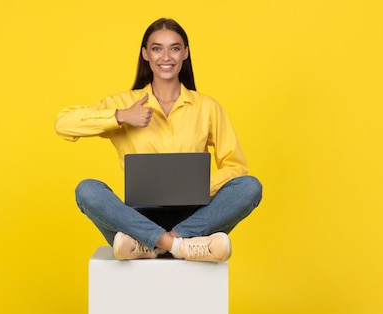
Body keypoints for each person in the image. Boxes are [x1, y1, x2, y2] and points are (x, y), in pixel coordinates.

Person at [55, 18, 262, 263]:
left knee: (250, 187)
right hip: (136, 218)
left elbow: (236, 167)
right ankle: (178, 246)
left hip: (194, 217)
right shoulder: (124, 103)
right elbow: (63, 124)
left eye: (174, 48)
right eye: (157, 48)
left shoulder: (207, 107)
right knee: (87, 190)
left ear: (185, 53)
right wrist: (121, 116)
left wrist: (198, 187)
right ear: (145, 54)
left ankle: (153, 244)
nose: (166, 56)